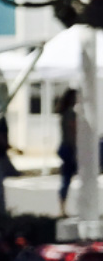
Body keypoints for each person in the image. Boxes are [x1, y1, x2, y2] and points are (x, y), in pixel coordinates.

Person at [57, 88, 78, 217]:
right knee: (68, 178)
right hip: (70, 148)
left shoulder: (64, 112)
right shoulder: (70, 113)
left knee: (66, 178)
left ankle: (62, 208)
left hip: (65, 147)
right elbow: (73, 132)